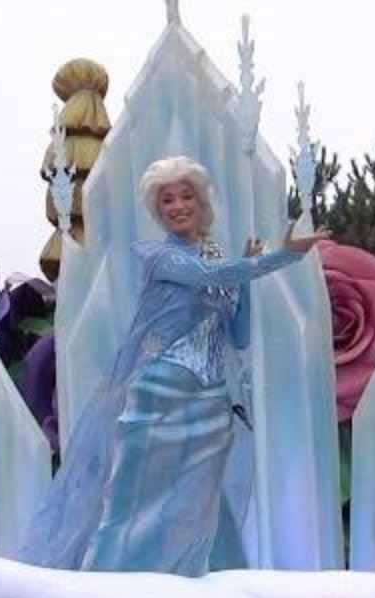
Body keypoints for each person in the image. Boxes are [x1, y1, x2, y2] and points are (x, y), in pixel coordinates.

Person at [21, 155, 326, 575]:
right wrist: (281, 257)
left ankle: (202, 589)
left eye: (186, 196)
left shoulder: (218, 262)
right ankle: (108, 587)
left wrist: (245, 285)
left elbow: (237, 335)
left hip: (212, 400)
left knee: (200, 507)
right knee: (132, 502)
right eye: (167, 200)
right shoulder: (160, 258)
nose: (178, 205)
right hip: (159, 394)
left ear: (202, 202)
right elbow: (211, 274)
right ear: (157, 210)